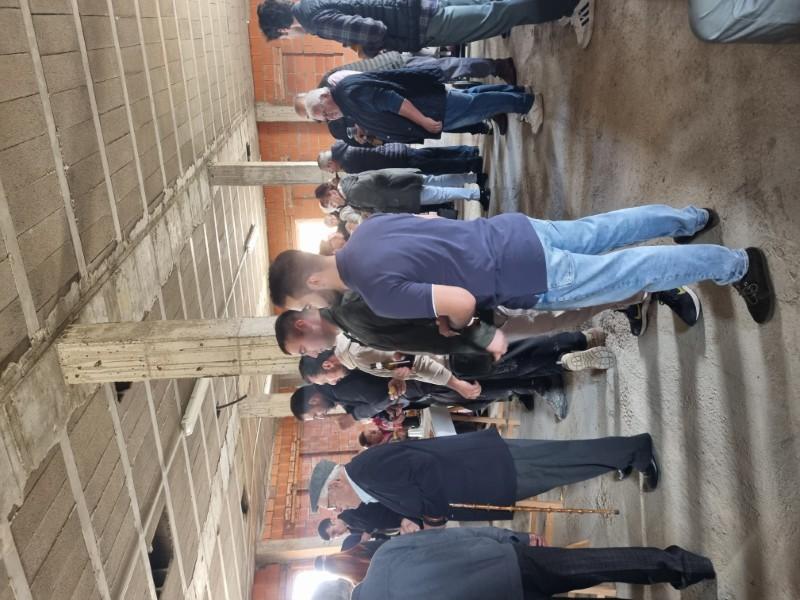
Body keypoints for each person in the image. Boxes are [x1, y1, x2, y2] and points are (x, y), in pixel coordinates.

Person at [268, 208, 776, 337]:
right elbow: (430, 221)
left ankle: (736, 266)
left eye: (305, 303)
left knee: (631, 271)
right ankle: (690, 218)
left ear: (312, 283)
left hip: (523, 275)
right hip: (512, 231)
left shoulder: (376, 293)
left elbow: (462, 304)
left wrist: (457, 325)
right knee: (603, 230)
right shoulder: (368, 228)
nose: (314, 308)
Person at [308, 428, 660, 530]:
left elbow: (424, 468)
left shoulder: (367, 470)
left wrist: (432, 516)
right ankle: (617, 456)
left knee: (559, 463)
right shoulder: (366, 480)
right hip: (480, 472)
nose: (338, 510)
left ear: (335, 484)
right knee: (559, 468)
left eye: (331, 503)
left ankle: (636, 449)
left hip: (484, 468)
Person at [349, 527, 716, 599]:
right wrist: (515, 537)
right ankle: (685, 565)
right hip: (505, 561)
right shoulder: (384, 555)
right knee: (598, 563)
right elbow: (453, 536)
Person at [256, 0, 595, 55]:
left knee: (497, 15)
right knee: (493, 4)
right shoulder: (312, 2)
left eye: (284, 38)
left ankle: (570, 6)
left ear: (283, 30)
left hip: (418, 24)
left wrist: (369, 50)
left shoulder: (315, 22)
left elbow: (371, 31)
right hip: (414, 5)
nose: (292, 39)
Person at [301, 66, 545, 140]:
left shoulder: (349, 96)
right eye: (324, 119)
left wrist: (424, 121)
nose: (329, 118)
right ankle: (517, 93)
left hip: (427, 107)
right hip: (427, 101)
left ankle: (527, 104)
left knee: (476, 106)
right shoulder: (346, 98)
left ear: (324, 97)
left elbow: (392, 101)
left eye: (324, 113)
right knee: (473, 98)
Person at [317, 168, 489, 214]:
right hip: (400, 180)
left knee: (440, 194)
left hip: (400, 193)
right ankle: (474, 178)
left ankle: (478, 194)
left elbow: (378, 199)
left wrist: (379, 211)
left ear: (332, 193)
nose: (336, 205)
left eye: (332, 203)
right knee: (438, 181)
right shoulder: (346, 182)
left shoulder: (352, 194)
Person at [319, 140, 485, 176]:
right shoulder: (344, 144)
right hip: (395, 150)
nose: (332, 171)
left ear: (330, 162)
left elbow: (372, 173)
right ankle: (468, 151)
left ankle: (472, 163)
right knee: (434, 153)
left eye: (329, 169)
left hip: (397, 161)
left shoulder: (348, 163)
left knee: (437, 166)